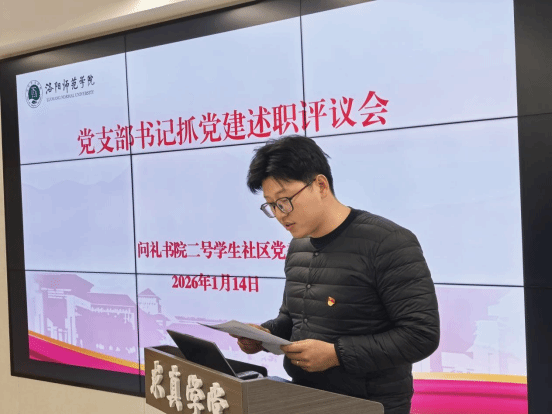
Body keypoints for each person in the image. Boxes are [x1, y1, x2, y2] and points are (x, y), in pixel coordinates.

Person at [231, 135, 440, 414]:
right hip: (305, 397)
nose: (280, 214)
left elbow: (421, 335)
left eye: (284, 201)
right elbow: (293, 319)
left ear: (320, 185)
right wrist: (265, 334)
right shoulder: (298, 246)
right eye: (271, 205)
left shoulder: (387, 241)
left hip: (370, 405)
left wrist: (336, 355)